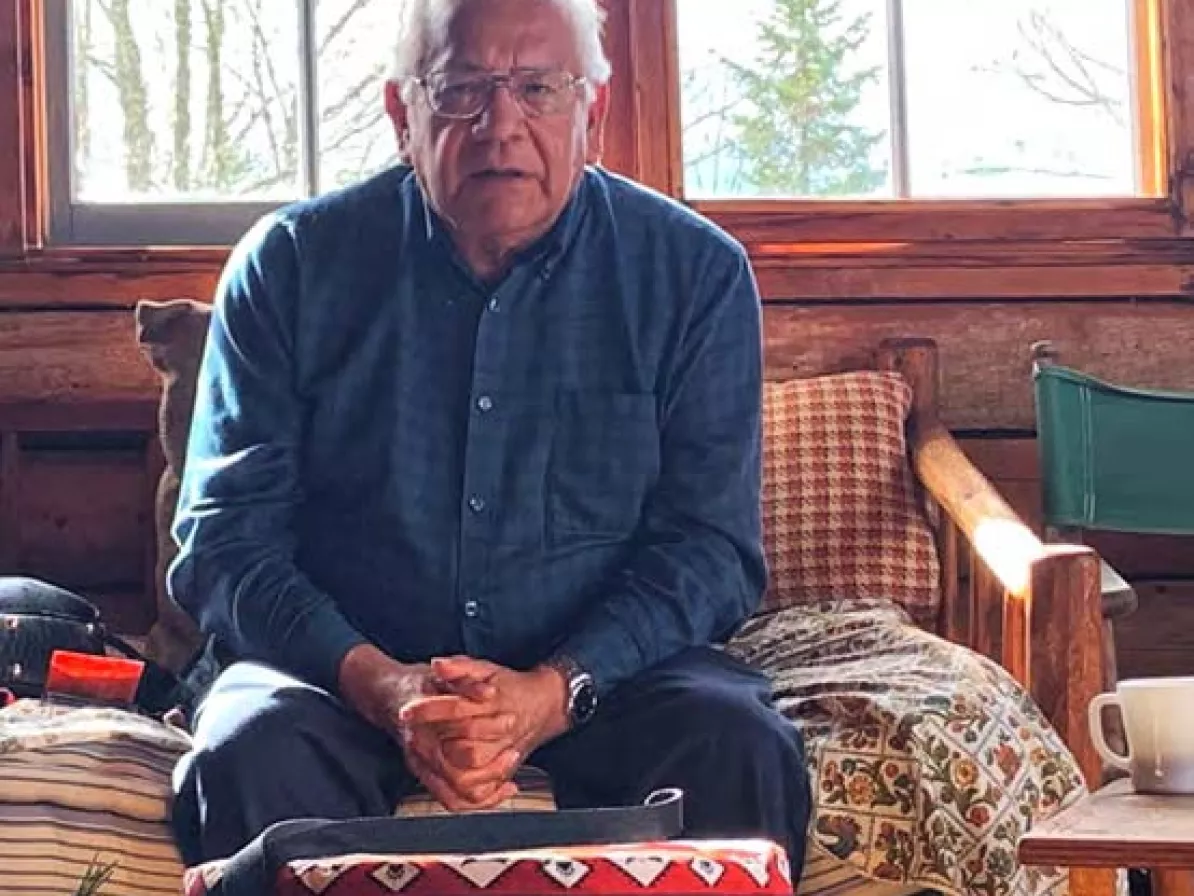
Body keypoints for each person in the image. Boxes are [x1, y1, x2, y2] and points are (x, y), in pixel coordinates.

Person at [168, 0, 812, 872]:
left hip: (609, 683)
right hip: (341, 680)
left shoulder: (694, 274)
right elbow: (225, 543)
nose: (500, 126)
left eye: (538, 88)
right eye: (461, 90)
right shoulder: (287, 265)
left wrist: (552, 693)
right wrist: (387, 687)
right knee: (251, 748)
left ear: (595, 111)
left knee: (736, 741)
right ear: (403, 115)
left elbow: (709, 548)